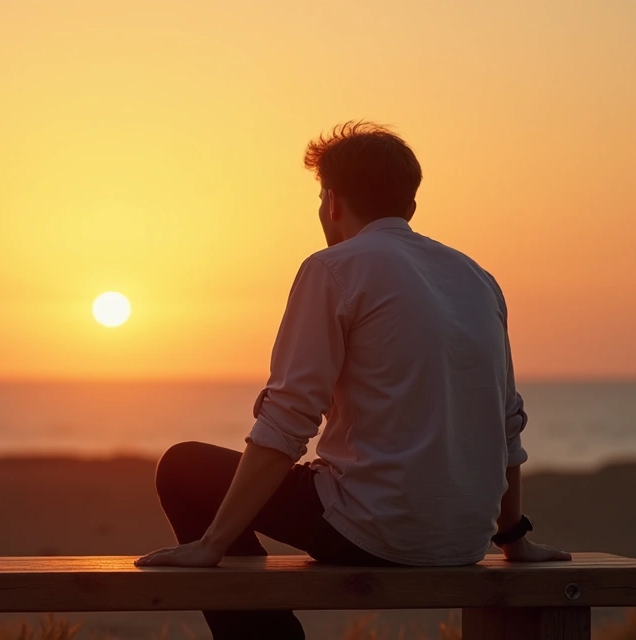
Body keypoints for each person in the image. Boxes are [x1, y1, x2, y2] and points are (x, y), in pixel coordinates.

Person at [135, 121, 571, 639]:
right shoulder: (476, 277)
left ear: (332, 201)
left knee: (183, 466)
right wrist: (513, 537)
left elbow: (288, 416)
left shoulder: (334, 268)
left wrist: (213, 544)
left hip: (374, 531)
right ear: (409, 203)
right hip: (464, 539)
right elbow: (506, 422)